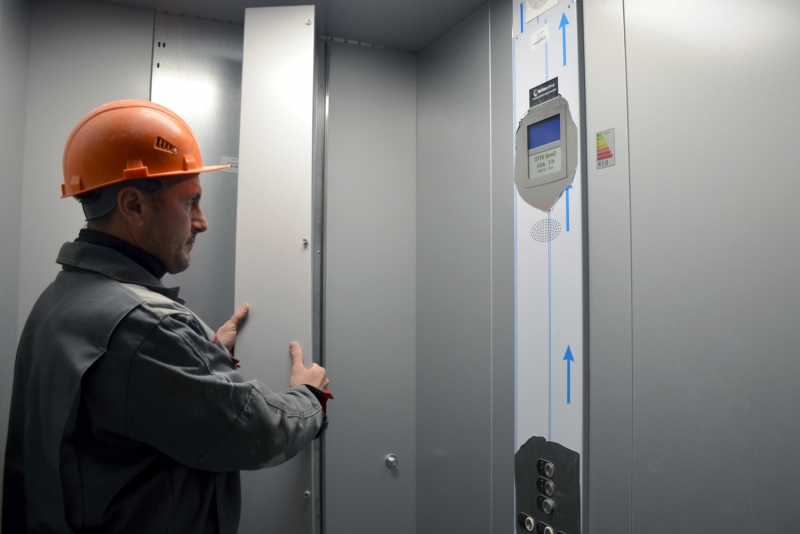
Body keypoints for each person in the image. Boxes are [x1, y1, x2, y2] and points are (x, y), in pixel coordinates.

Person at [2, 100, 332, 533]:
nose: (202, 222)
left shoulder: (61, 299)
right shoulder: (144, 326)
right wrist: (310, 398)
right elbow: (255, 433)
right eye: (191, 202)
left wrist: (197, 353)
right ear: (133, 205)